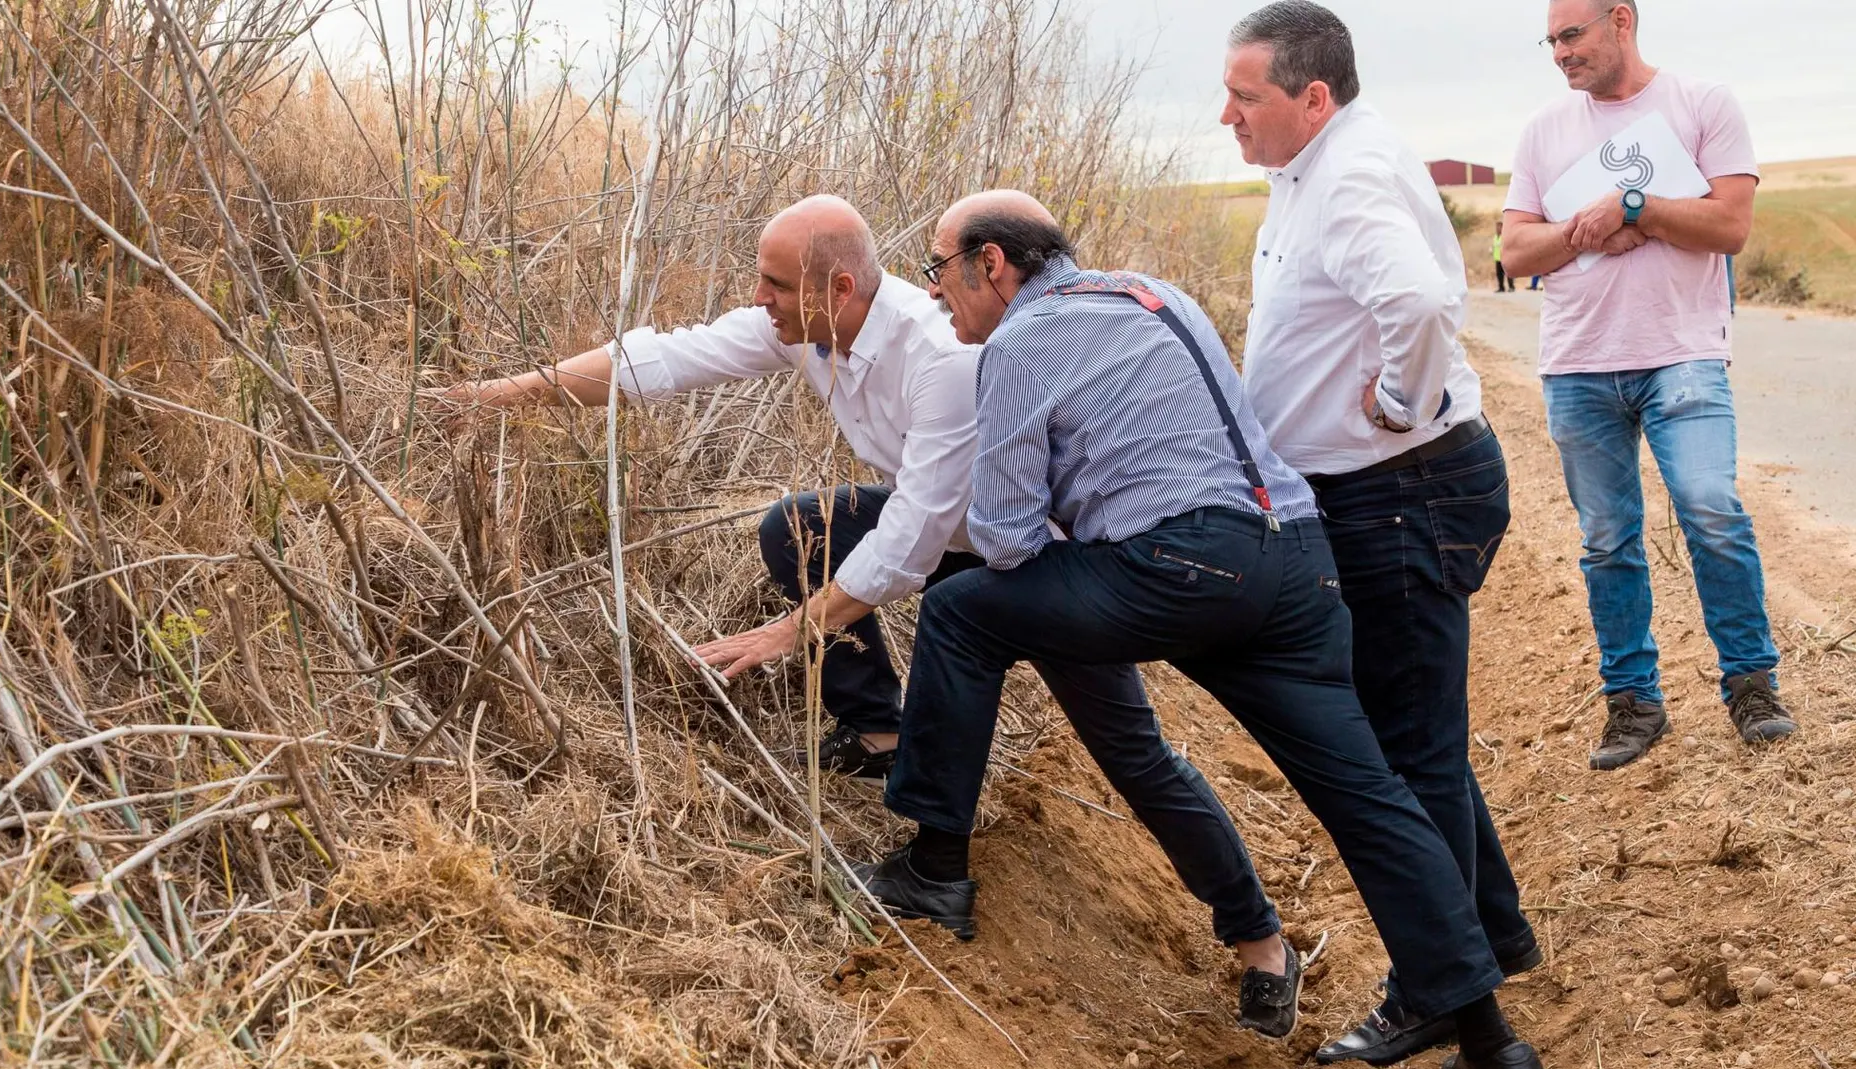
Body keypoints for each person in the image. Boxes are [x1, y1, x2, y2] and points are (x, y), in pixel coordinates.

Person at [856, 189, 1542, 1067]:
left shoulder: (1019, 346)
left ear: (993, 263)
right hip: (1295, 558)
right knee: (1366, 792)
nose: (936, 290)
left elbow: (1005, 539)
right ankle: (1488, 1037)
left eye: (941, 268)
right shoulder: (1155, 293)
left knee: (959, 612)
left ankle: (936, 864)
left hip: (1181, 567)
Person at [1219, 4, 1540, 1064]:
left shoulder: (1348, 173)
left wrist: (1402, 404)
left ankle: (1433, 990)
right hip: (1381, 492)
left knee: (1408, 754)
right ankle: (1477, 945)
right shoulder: (1310, 168)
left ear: (1312, 96)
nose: (1226, 115)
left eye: (1245, 96)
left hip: (1398, 491)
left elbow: (1416, 301)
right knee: (1420, 744)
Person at [427, 195, 974, 778]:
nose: (761, 298)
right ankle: (876, 734)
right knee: (797, 530)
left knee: (963, 618)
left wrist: (786, 633)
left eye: (777, 285)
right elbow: (662, 360)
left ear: (840, 288)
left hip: (998, 540)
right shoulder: (804, 325)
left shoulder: (939, 354)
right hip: (930, 519)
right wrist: (489, 398)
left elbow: (911, 536)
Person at [1501, 0, 1797, 771]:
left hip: (1683, 353)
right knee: (1607, 541)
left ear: (1621, 20)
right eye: (1551, 41)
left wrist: (1639, 206)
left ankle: (1751, 684)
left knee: (1712, 508)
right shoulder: (1543, 130)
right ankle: (1633, 703)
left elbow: (1730, 226)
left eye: (1573, 35)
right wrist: (1586, 229)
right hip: (1577, 363)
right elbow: (1515, 251)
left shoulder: (1703, 104)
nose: (1560, 54)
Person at [1494, 221, 1511, 292]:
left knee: (1508, 272)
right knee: (1499, 274)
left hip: (1504, 258)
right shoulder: (1495, 237)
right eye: (1496, 227)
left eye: (1499, 227)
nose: (1497, 229)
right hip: (1497, 258)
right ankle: (1501, 287)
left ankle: (1511, 286)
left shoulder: (1504, 236)